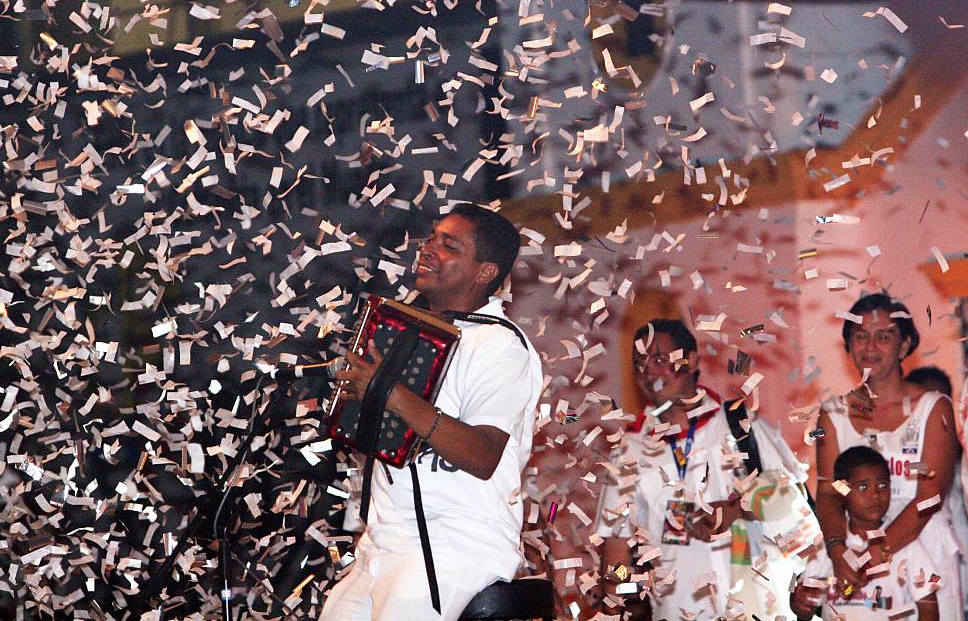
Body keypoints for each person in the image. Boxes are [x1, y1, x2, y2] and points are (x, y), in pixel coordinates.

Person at [319, 204, 543, 621]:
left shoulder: (499, 346)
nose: (428, 249)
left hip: (451, 545)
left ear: (485, 272)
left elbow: (481, 455)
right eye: (432, 238)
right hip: (381, 544)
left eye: (449, 245)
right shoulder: (407, 330)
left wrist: (390, 393)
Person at [596, 319, 816, 620]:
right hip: (676, 612)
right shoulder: (628, 452)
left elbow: (792, 503)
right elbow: (616, 553)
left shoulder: (740, 425)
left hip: (757, 607)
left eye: (660, 359)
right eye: (639, 363)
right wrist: (623, 589)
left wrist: (736, 510)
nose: (649, 372)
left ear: (692, 360)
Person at [814, 293, 964, 619]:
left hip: (923, 553)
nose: (871, 346)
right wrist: (839, 551)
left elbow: (931, 495)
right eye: (861, 336)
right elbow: (828, 491)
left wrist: (878, 551)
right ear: (848, 345)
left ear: (905, 344)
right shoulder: (832, 414)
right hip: (856, 563)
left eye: (884, 336)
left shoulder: (933, 407)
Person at [791, 446, 939, 621]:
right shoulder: (826, 547)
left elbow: (929, 607)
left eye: (882, 485)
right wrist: (799, 602)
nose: (875, 495)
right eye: (863, 487)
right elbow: (804, 609)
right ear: (842, 492)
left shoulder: (906, 544)